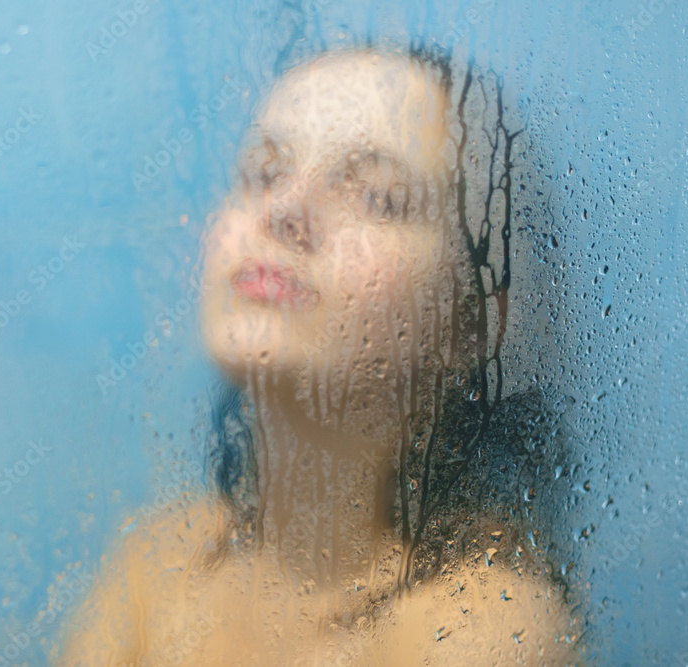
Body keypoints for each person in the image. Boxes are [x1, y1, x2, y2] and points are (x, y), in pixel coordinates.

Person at [56, 47, 580, 666]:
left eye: (377, 197)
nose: (284, 212)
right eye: (264, 174)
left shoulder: (485, 624)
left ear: (470, 323)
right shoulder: (159, 561)